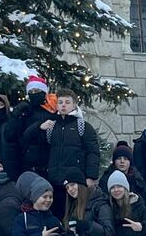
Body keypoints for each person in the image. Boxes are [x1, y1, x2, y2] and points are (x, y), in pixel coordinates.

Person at [23, 88, 98, 216]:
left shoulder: (83, 126)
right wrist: (39, 127)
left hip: (74, 183)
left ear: (74, 105)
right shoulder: (51, 126)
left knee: (75, 215)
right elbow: (27, 139)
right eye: (60, 102)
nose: (63, 105)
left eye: (67, 102)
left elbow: (93, 152)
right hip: (53, 181)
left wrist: (90, 176)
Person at [8, 74, 58, 176]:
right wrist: (16, 113)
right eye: (31, 92)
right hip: (28, 163)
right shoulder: (25, 111)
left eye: (37, 91)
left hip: (49, 163)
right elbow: (12, 135)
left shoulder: (53, 110)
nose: (34, 94)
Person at [98, 142, 146, 206]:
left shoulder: (137, 179)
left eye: (125, 159)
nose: (122, 161)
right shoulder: (106, 179)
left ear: (130, 161)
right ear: (114, 161)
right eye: (119, 158)